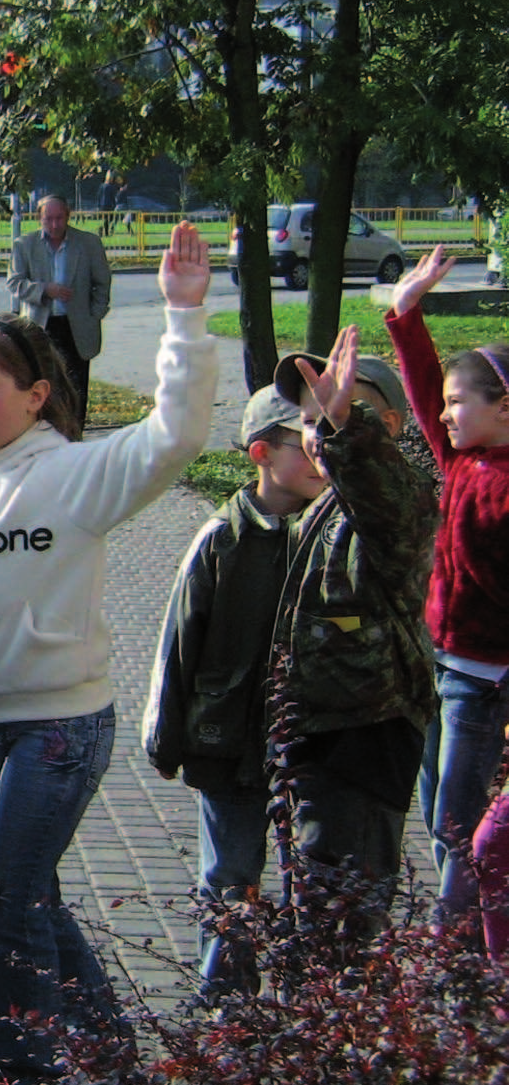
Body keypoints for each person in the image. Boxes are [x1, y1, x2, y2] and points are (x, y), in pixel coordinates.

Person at [0, 222, 217, 1085]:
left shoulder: (74, 475)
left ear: (36, 393)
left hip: (61, 725)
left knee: (4, 904)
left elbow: (175, 437)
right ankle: (113, 1056)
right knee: (32, 896)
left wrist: (184, 320)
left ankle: (29, 1081)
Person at [142, 386, 327, 1000]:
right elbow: (177, 646)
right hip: (227, 742)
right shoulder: (220, 539)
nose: (319, 458)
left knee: (312, 877)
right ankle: (228, 1002)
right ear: (261, 453)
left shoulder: (331, 533)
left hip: (311, 744)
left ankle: (310, 1002)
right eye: (304, 446)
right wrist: (165, 738)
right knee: (231, 875)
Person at [269, 327, 438, 945]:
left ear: (386, 424)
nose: (318, 434)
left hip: (366, 736)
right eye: (310, 421)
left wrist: (348, 431)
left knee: (346, 916)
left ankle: (351, 1031)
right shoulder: (325, 503)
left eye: (338, 416)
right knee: (312, 902)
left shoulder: (402, 501)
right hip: (317, 733)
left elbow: (387, 497)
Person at [383, 248, 509, 936]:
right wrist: (406, 314)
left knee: (458, 819)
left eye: (464, 403)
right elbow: (428, 390)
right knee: (440, 811)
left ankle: (457, 941)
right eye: (450, 404)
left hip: (485, 681)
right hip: (446, 664)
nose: (447, 413)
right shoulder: (461, 457)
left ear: (505, 406)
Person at [6, 194, 112, 420]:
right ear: (39, 218)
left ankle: (75, 439)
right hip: (40, 326)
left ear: (68, 216)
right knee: (43, 387)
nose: (54, 224)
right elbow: (14, 283)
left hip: (76, 326)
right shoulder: (25, 245)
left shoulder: (88, 244)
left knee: (76, 388)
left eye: (59, 218)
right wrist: (45, 289)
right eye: (48, 219)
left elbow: (102, 283)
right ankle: (47, 437)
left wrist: (95, 314)